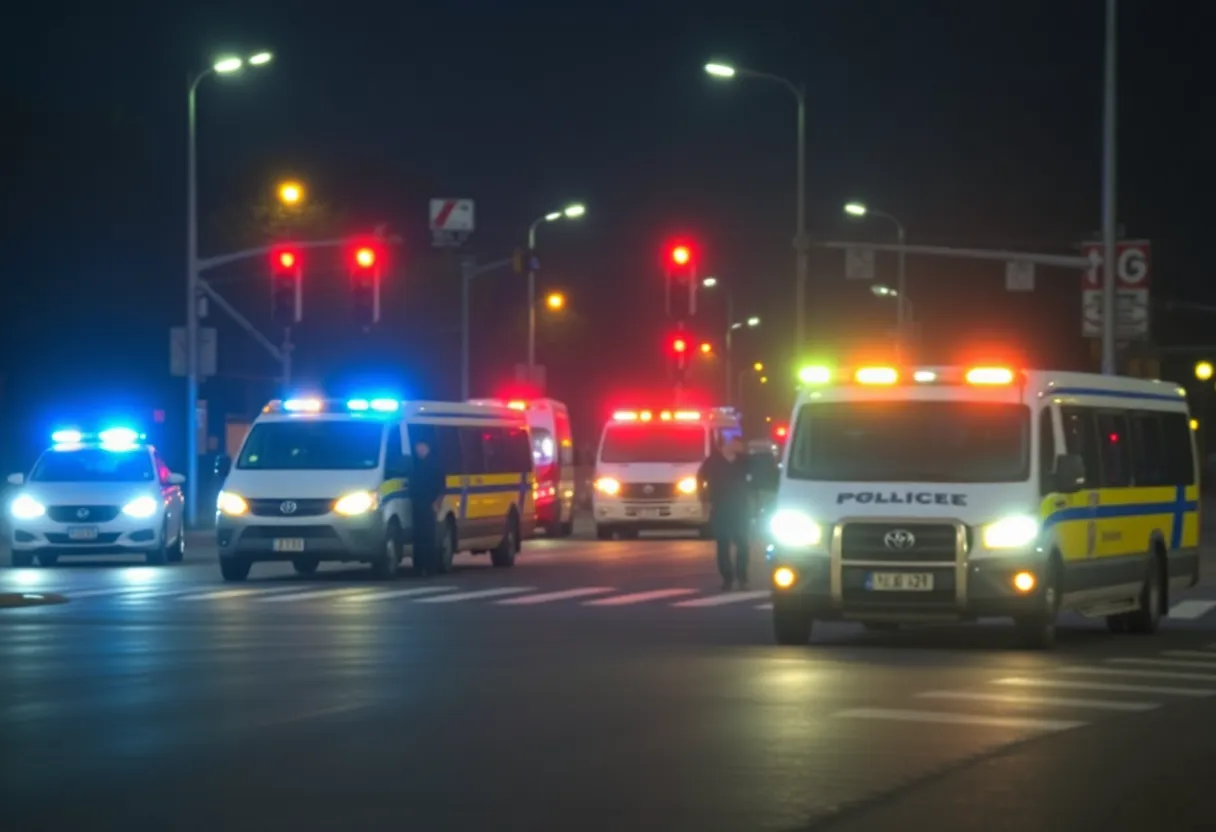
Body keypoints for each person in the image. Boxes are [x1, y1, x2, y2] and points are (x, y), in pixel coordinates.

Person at [697, 436, 753, 590]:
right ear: (729, 444)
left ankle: (742, 578)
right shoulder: (713, 461)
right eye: (738, 444)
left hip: (740, 508)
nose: (741, 447)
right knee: (723, 543)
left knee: (743, 544)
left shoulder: (744, 461)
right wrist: (704, 499)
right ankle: (727, 578)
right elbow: (700, 479)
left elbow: (754, 480)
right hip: (720, 507)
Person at [409, 440, 446, 575]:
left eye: (419, 448)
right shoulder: (418, 464)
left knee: (428, 536)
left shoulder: (433, 463)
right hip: (418, 504)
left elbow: (441, 485)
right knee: (419, 536)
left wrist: (437, 502)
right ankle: (419, 566)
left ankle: (429, 567)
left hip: (428, 504)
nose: (417, 451)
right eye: (416, 448)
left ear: (425, 447)